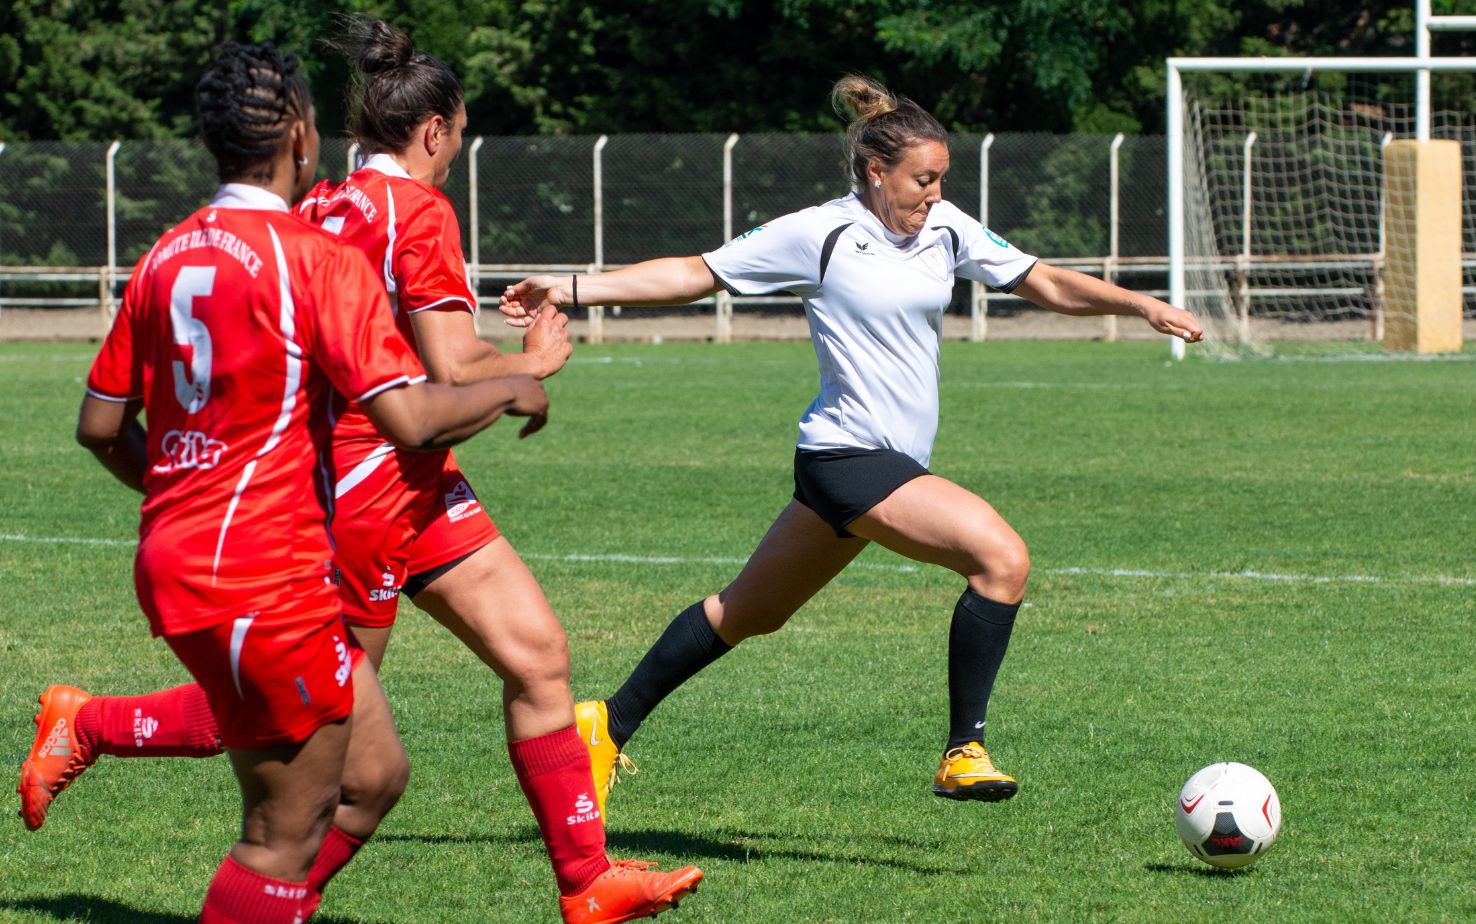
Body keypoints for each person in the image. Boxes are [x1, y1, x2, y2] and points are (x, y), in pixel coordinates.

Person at [19, 18, 703, 924]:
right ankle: (103, 731)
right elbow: (446, 373)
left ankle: (585, 880)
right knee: (329, 741)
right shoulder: (415, 212)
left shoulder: (317, 208)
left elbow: (116, 422)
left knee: (535, 654)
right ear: (435, 131)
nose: (457, 149)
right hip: (364, 489)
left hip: (407, 477)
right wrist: (528, 366)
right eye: (459, 134)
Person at [500, 74, 1204, 809]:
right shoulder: (821, 232)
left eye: (941, 180)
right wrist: (571, 288)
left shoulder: (947, 228)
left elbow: (1044, 281)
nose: (934, 193)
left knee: (746, 613)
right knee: (1002, 559)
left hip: (885, 467)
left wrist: (1139, 304)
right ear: (876, 170)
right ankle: (965, 749)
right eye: (922, 179)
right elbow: (693, 274)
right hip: (846, 459)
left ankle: (604, 725)